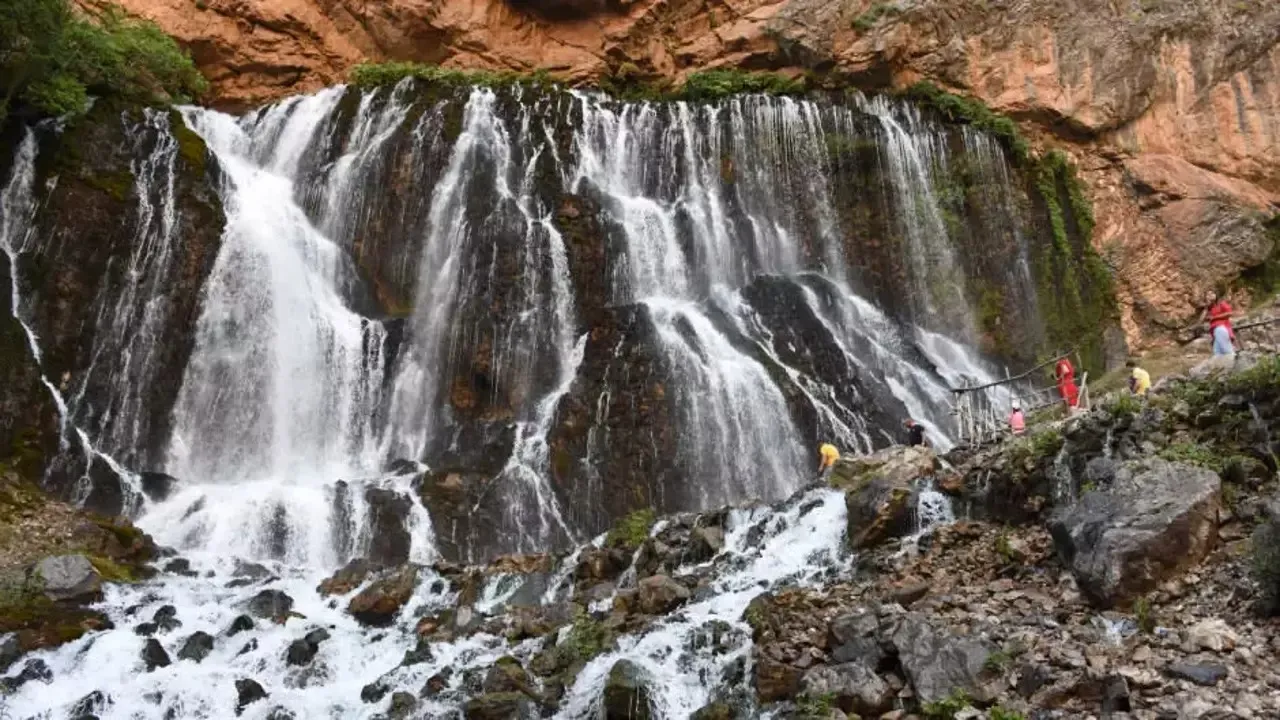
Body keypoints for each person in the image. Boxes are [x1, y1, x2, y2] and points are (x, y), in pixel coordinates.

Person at [1206, 292, 1236, 356]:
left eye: (1212, 293)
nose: (1210, 295)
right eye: (1208, 294)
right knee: (1217, 352)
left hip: (1221, 328)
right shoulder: (1210, 309)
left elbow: (1229, 313)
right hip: (1215, 332)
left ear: (1216, 295)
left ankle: (1235, 361)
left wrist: (1214, 317)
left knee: (1227, 350)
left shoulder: (1221, 304)